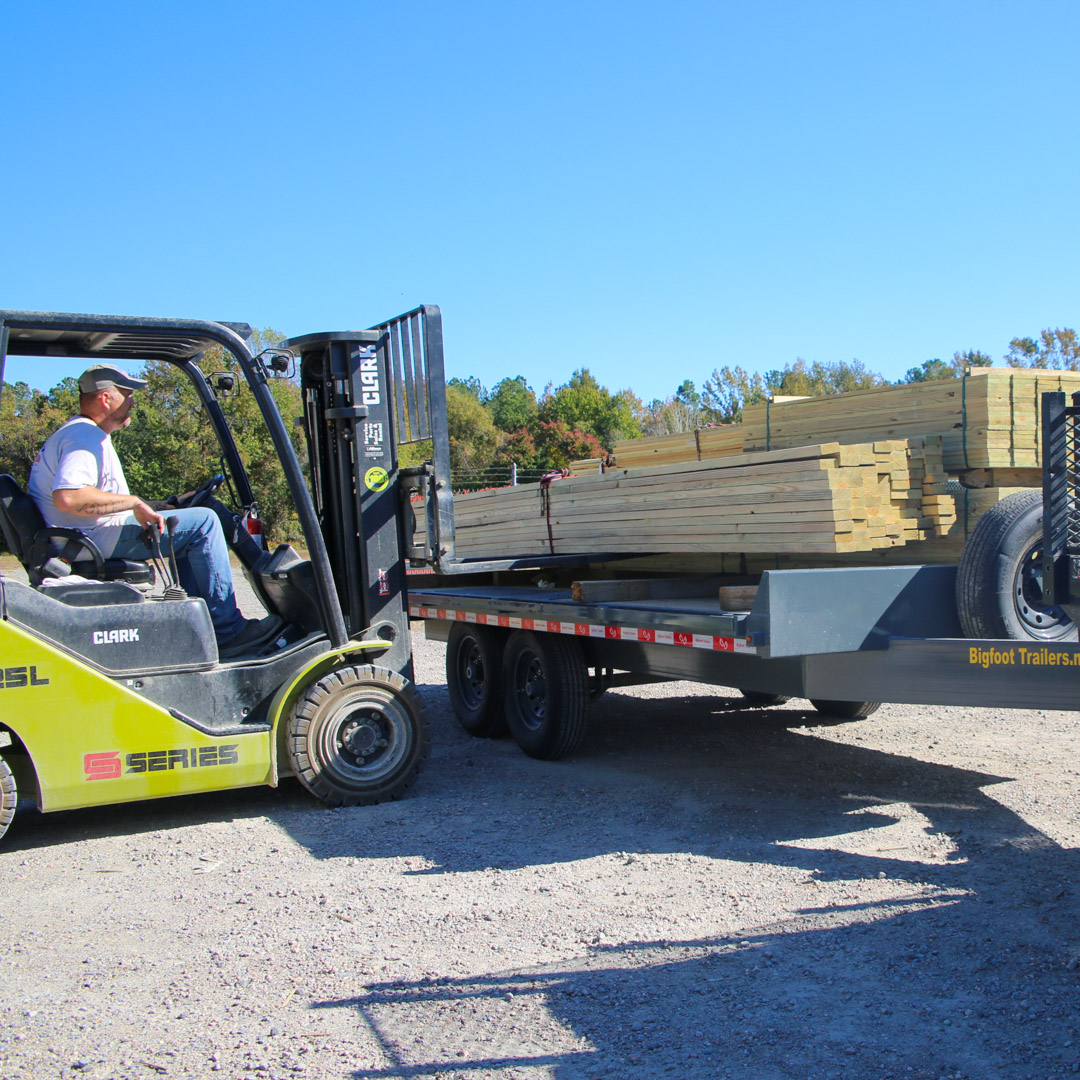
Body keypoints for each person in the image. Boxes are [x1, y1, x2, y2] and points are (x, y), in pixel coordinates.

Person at [28, 363, 283, 659]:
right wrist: (135, 503)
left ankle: (201, 628)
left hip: (85, 535)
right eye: (127, 394)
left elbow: (99, 500)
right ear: (106, 398)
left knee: (184, 524)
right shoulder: (84, 437)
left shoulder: (79, 433)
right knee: (205, 523)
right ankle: (228, 631)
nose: (133, 401)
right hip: (87, 541)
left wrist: (168, 504)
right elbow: (70, 498)